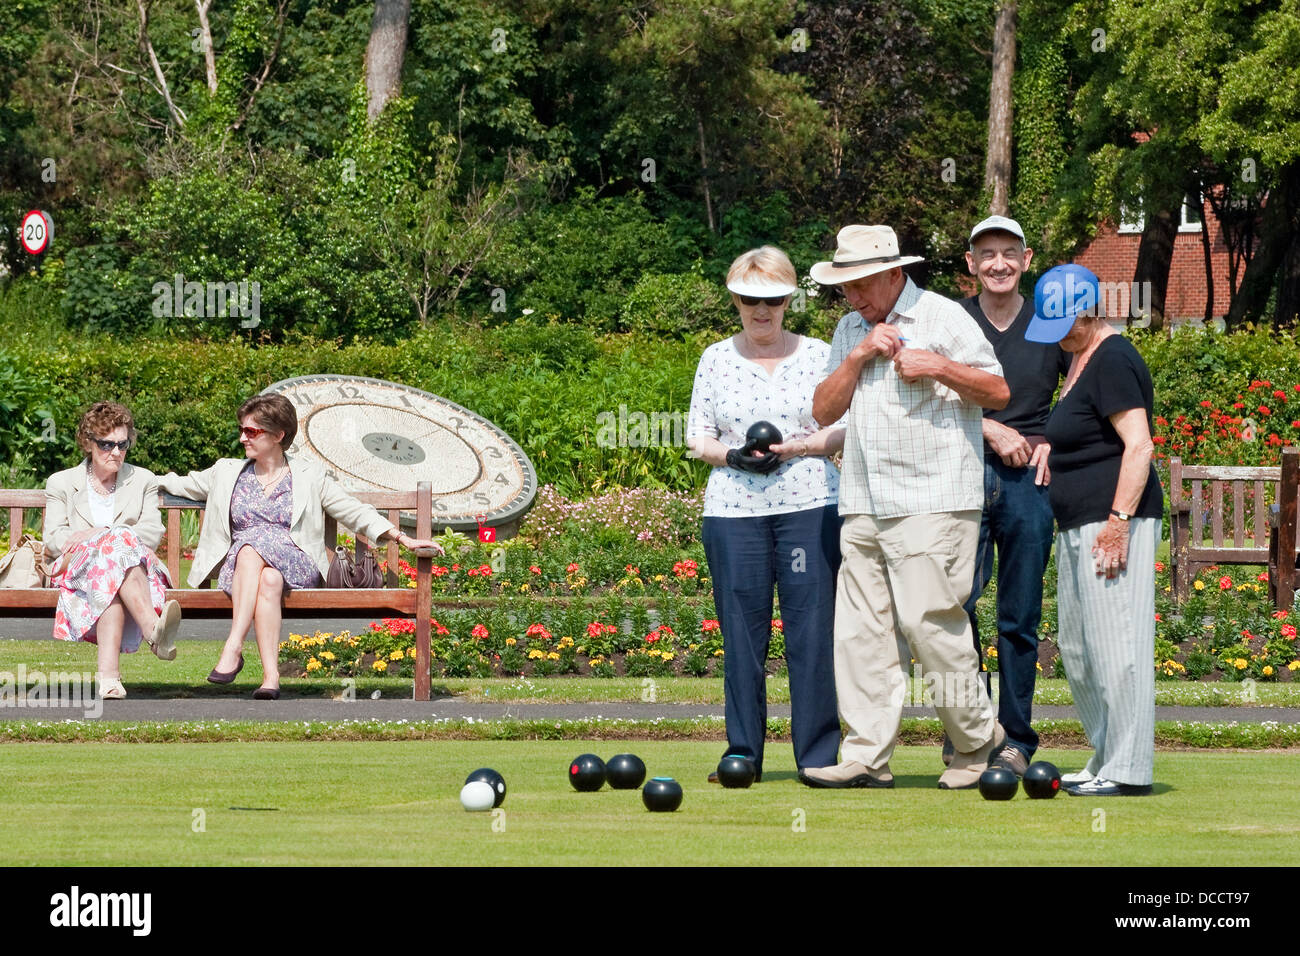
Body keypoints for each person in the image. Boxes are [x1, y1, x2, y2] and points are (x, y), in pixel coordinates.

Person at [802, 224, 1010, 790]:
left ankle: (977, 744)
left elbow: (998, 392)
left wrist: (937, 367)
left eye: (862, 284)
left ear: (896, 273)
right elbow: (822, 411)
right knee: (861, 634)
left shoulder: (942, 317)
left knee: (930, 626)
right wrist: (859, 355)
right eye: (845, 287)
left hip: (934, 499)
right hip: (863, 502)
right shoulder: (850, 328)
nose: (853, 297)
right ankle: (866, 754)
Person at [159, 393, 441, 699]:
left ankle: (234, 645)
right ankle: (271, 678)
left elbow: (351, 509)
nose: (243, 438)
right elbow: (181, 483)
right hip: (244, 571)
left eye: (251, 431)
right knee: (266, 575)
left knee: (252, 547)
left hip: (295, 562)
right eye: (242, 430)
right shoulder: (227, 471)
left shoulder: (309, 475)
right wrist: (135, 477)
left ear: (278, 435)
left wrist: (402, 537)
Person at [686, 245, 847, 782]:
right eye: (752, 299)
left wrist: (804, 448)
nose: (763, 310)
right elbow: (697, 437)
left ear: (788, 300)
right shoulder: (715, 358)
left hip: (809, 506)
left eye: (774, 299)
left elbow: (844, 427)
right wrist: (733, 456)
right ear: (735, 300)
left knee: (812, 632)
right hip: (734, 510)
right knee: (741, 634)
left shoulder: (821, 353)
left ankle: (819, 756)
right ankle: (743, 754)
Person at [1026, 264, 1162, 796]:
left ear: (1088, 311)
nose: (1057, 334)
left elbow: (1140, 445)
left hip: (1112, 523)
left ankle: (1128, 771)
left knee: (1117, 648)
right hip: (1077, 523)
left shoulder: (1114, 358)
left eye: (1065, 323)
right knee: (1080, 649)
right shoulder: (1079, 358)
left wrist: (1118, 523)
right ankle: (1107, 756)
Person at [953, 215, 1070, 777]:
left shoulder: (1052, 324)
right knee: (957, 607)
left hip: (1031, 482)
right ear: (970, 266)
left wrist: (1053, 439)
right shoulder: (954, 322)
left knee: (1018, 616)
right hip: (959, 472)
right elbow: (928, 396)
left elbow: (1081, 391)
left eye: (1009, 253)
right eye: (986, 254)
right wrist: (988, 428)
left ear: (1026, 261)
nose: (998, 263)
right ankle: (971, 734)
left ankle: (1016, 739)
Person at [44, 402, 181, 700]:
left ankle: (109, 679)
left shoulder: (142, 480)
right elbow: (54, 538)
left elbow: (152, 533)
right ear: (88, 442)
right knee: (112, 554)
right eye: (107, 445)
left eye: (123, 444)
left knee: (112, 565)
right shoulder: (62, 482)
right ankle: (153, 632)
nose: (116, 452)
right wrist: (103, 539)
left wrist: (107, 533)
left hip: (131, 568)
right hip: (75, 568)